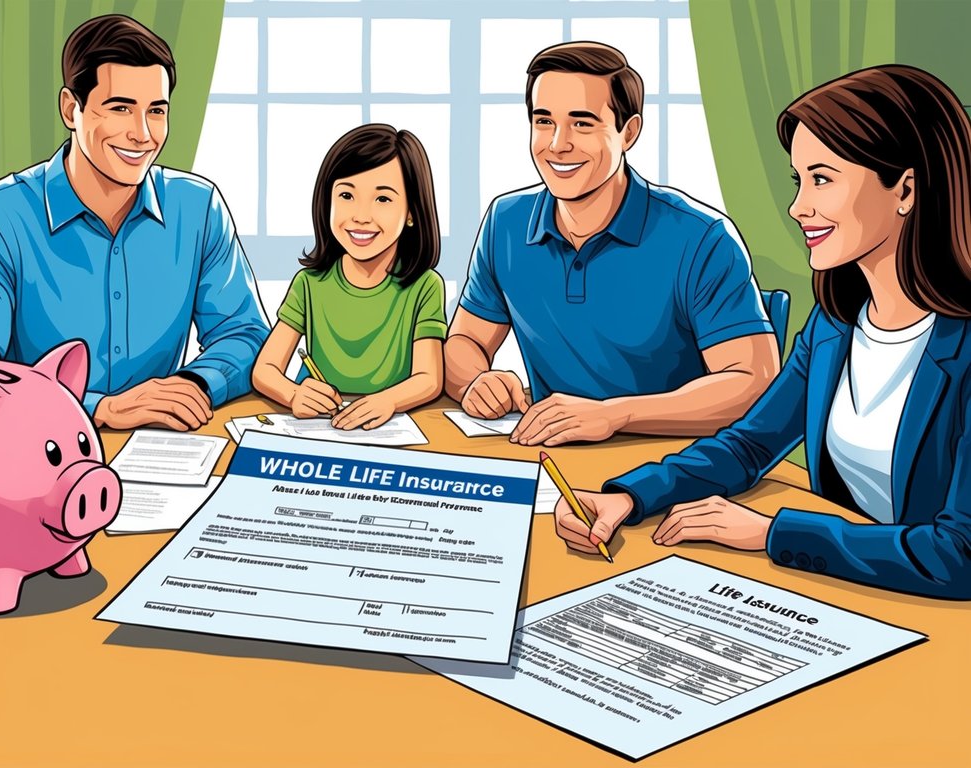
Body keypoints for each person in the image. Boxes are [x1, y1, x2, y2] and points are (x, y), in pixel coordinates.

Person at [556, 65, 971, 600]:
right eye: (799, 181)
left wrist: (772, 532)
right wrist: (632, 496)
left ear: (906, 189)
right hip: (849, 592)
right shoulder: (834, 326)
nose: (799, 208)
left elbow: (957, 554)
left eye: (822, 179)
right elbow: (749, 445)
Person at [0, 14, 269, 432]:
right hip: (31, 457)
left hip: (160, 446)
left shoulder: (198, 208)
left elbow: (246, 333)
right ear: (72, 109)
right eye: (120, 108)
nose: (143, 134)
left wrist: (191, 384)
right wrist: (99, 408)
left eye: (156, 111)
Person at [445, 42, 779, 446]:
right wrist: (476, 382)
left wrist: (614, 415)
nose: (556, 145)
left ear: (629, 132)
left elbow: (753, 382)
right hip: (554, 460)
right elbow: (466, 342)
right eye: (543, 121)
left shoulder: (702, 237)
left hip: (675, 470)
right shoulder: (506, 223)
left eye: (582, 124)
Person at [252, 124, 446, 430]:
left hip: (386, 428)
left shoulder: (424, 286)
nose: (360, 215)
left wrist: (389, 401)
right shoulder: (310, 283)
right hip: (317, 427)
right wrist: (293, 394)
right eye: (346, 195)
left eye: (382, 199)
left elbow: (430, 379)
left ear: (411, 212)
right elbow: (265, 368)